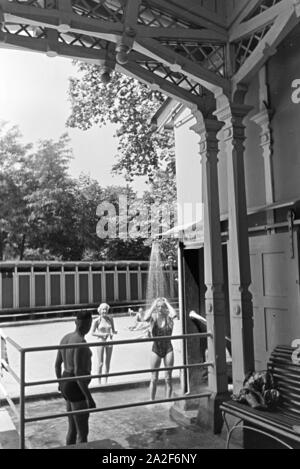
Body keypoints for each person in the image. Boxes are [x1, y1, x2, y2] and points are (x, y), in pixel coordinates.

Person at [54, 310, 96, 446]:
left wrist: (60, 383)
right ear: (89, 324)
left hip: (65, 381)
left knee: (72, 429)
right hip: (76, 386)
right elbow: (78, 374)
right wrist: (89, 397)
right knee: (82, 433)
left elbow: (57, 364)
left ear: (75, 322)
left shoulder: (65, 338)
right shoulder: (81, 343)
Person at [144, 297, 178, 400]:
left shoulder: (169, 318)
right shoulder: (153, 318)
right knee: (154, 378)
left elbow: (174, 314)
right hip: (156, 349)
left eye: (162, 306)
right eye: (158, 307)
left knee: (168, 378)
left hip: (168, 348)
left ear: (165, 308)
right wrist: (154, 305)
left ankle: (167, 400)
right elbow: (145, 318)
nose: (160, 308)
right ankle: (151, 401)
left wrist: (167, 303)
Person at [91, 303, 117, 384]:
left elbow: (113, 330)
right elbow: (92, 333)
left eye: (105, 309)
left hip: (109, 341)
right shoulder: (96, 321)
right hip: (100, 341)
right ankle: (99, 382)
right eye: (103, 309)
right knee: (100, 363)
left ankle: (106, 381)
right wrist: (102, 334)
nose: (104, 311)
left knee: (107, 362)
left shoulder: (110, 319)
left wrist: (114, 333)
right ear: (99, 311)